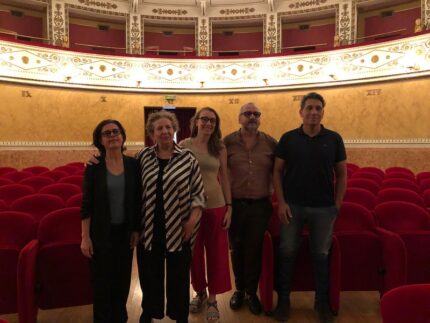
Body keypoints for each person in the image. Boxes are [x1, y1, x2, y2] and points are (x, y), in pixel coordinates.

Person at [272, 92, 347, 323]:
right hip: (292, 208)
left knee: (321, 256)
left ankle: (321, 303)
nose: (314, 112)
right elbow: (276, 171)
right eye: (309, 108)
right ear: (301, 112)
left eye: (318, 108)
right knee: (286, 253)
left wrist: (336, 204)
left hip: (324, 209)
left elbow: (342, 174)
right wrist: (281, 202)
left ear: (322, 112)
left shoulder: (334, 139)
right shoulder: (288, 138)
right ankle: (283, 301)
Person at [136, 110, 206, 323]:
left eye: (168, 127)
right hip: (149, 230)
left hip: (180, 229)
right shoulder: (142, 157)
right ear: (152, 133)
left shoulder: (187, 158)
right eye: (159, 128)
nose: (165, 131)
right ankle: (149, 312)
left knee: (179, 278)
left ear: (174, 130)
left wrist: (191, 223)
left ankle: (179, 316)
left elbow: (199, 194)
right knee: (150, 277)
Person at [80, 119, 141, 323]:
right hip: (99, 235)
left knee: (122, 282)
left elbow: (136, 200)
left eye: (116, 132)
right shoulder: (94, 167)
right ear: (100, 140)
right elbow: (86, 204)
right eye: (107, 133)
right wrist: (85, 237)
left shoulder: (133, 164)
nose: (112, 135)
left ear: (123, 136)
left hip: (125, 234)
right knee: (102, 285)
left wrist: (135, 229)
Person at [223, 102, 277, 315]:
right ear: (239, 118)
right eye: (248, 113)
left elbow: (280, 173)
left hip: (260, 206)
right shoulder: (226, 143)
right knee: (237, 249)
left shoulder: (271, 143)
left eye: (256, 114)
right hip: (235, 205)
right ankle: (239, 289)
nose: (252, 117)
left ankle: (251, 293)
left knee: (254, 250)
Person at [179, 107, 232, 322]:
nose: (208, 123)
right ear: (196, 121)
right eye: (205, 119)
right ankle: (199, 292)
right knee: (194, 255)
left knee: (217, 254)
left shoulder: (219, 147)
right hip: (190, 209)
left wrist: (230, 206)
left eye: (212, 120)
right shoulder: (184, 145)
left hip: (216, 206)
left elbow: (225, 177)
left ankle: (212, 299)